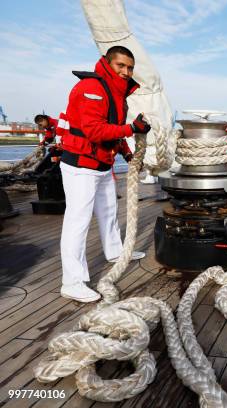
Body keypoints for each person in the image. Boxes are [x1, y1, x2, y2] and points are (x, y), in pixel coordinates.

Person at [57, 45, 151, 302]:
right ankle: (72, 281)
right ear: (108, 63)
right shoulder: (92, 88)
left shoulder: (116, 93)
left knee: (109, 212)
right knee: (78, 222)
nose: (126, 71)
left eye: (130, 67)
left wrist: (127, 152)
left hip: (101, 164)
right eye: (121, 65)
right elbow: (95, 131)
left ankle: (115, 253)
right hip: (80, 166)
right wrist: (132, 128)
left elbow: (111, 130)